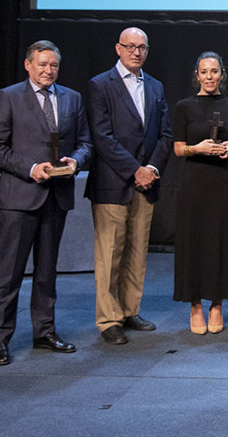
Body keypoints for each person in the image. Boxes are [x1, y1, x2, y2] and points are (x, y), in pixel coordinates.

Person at [0, 40, 92, 366]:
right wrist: (31, 169)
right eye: (42, 64)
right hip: (19, 198)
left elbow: (86, 142)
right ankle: (0, 339)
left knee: (47, 272)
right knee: (10, 274)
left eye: (53, 65)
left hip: (56, 198)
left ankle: (44, 331)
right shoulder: (9, 97)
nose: (48, 71)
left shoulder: (71, 98)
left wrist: (75, 161)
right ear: (28, 65)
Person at [86, 27, 173, 345]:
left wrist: (150, 169)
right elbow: (102, 137)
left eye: (142, 47)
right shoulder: (100, 85)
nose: (137, 52)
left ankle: (129, 310)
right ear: (118, 49)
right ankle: (109, 319)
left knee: (137, 251)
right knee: (110, 253)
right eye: (131, 47)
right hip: (113, 183)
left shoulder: (155, 86)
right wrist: (134, 169)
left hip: (146, 183)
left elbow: (165, 135)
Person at [170, 52, 228, 334]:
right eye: (205, 72)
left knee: (221, 243)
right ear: (197, 75)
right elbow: (178, 148)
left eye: (215, 71)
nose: (210, 76)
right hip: (194, 184)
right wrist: (198, 148)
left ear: (221, 74)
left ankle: (216, 304)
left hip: (223, 182)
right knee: (194, 243)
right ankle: (195, 305)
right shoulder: (184, 107)